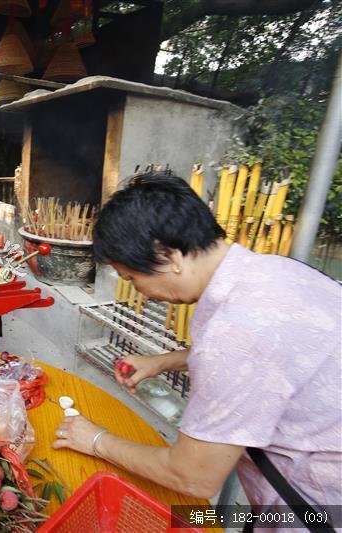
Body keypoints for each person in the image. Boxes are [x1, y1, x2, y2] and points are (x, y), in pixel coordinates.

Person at [53, 173, 341, 526]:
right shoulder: (275, 272)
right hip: (293, 496)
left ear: (169, 254)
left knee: (186, 516)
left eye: (131, 278)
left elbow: (192, 477)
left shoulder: (236, 330)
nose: (138, 289)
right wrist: (166, 361)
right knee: (200, 517)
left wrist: (96, 439)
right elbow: (275, 358)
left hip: (316, 510)